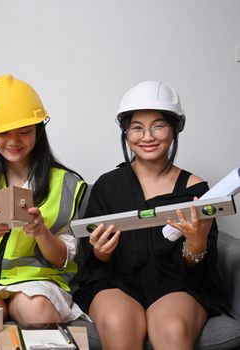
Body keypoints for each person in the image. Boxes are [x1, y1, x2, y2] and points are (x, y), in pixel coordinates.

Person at [74, 81, 228, 349]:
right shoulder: (108, 186)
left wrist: (195, 244)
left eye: (158, 125)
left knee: (172, 328)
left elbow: (201, 265)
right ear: (125, 132)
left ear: (175, 128)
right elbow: (92, 261)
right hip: (117, 282)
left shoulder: (196, 190)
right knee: (117, 322)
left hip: (177, 284)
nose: (147, 137)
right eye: (136, 128)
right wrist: (101, 251)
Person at [0, 74, 88, 325]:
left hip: (39, 282)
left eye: (24, 132)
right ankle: (2, 308)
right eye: (3, 133)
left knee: (36, 311)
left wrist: (41, 232)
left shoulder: (67, 184)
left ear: (38, 129)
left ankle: (19, 309)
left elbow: (62, 260)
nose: (13, 141)